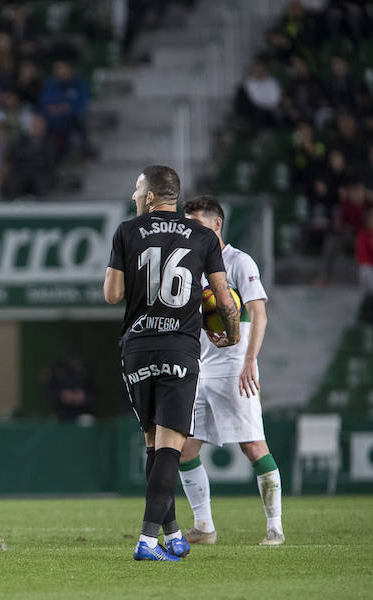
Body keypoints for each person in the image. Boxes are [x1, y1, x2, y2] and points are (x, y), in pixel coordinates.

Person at [104, 166, 240, 562]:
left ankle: (175, 535)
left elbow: (112, 295)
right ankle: (147, 542)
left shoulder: (127, 231)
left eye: (136, 190)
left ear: (149, 197)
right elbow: (224, 299)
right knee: (171, 446)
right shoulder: (202, 236)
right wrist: (230, 335)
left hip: (137, 348)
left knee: (154, 444)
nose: (133, 196)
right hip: (179, 348)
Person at [179, 196, 284, 546]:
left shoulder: (238, 261)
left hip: (233, 369)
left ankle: (275, 527)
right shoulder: (191, 267)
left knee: (253, 446)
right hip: (199, 370)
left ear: (216, 225)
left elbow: (259, 313)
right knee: (184, 450)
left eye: (195, 222)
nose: (190, 228)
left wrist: (249, 360)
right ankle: (204, 527)